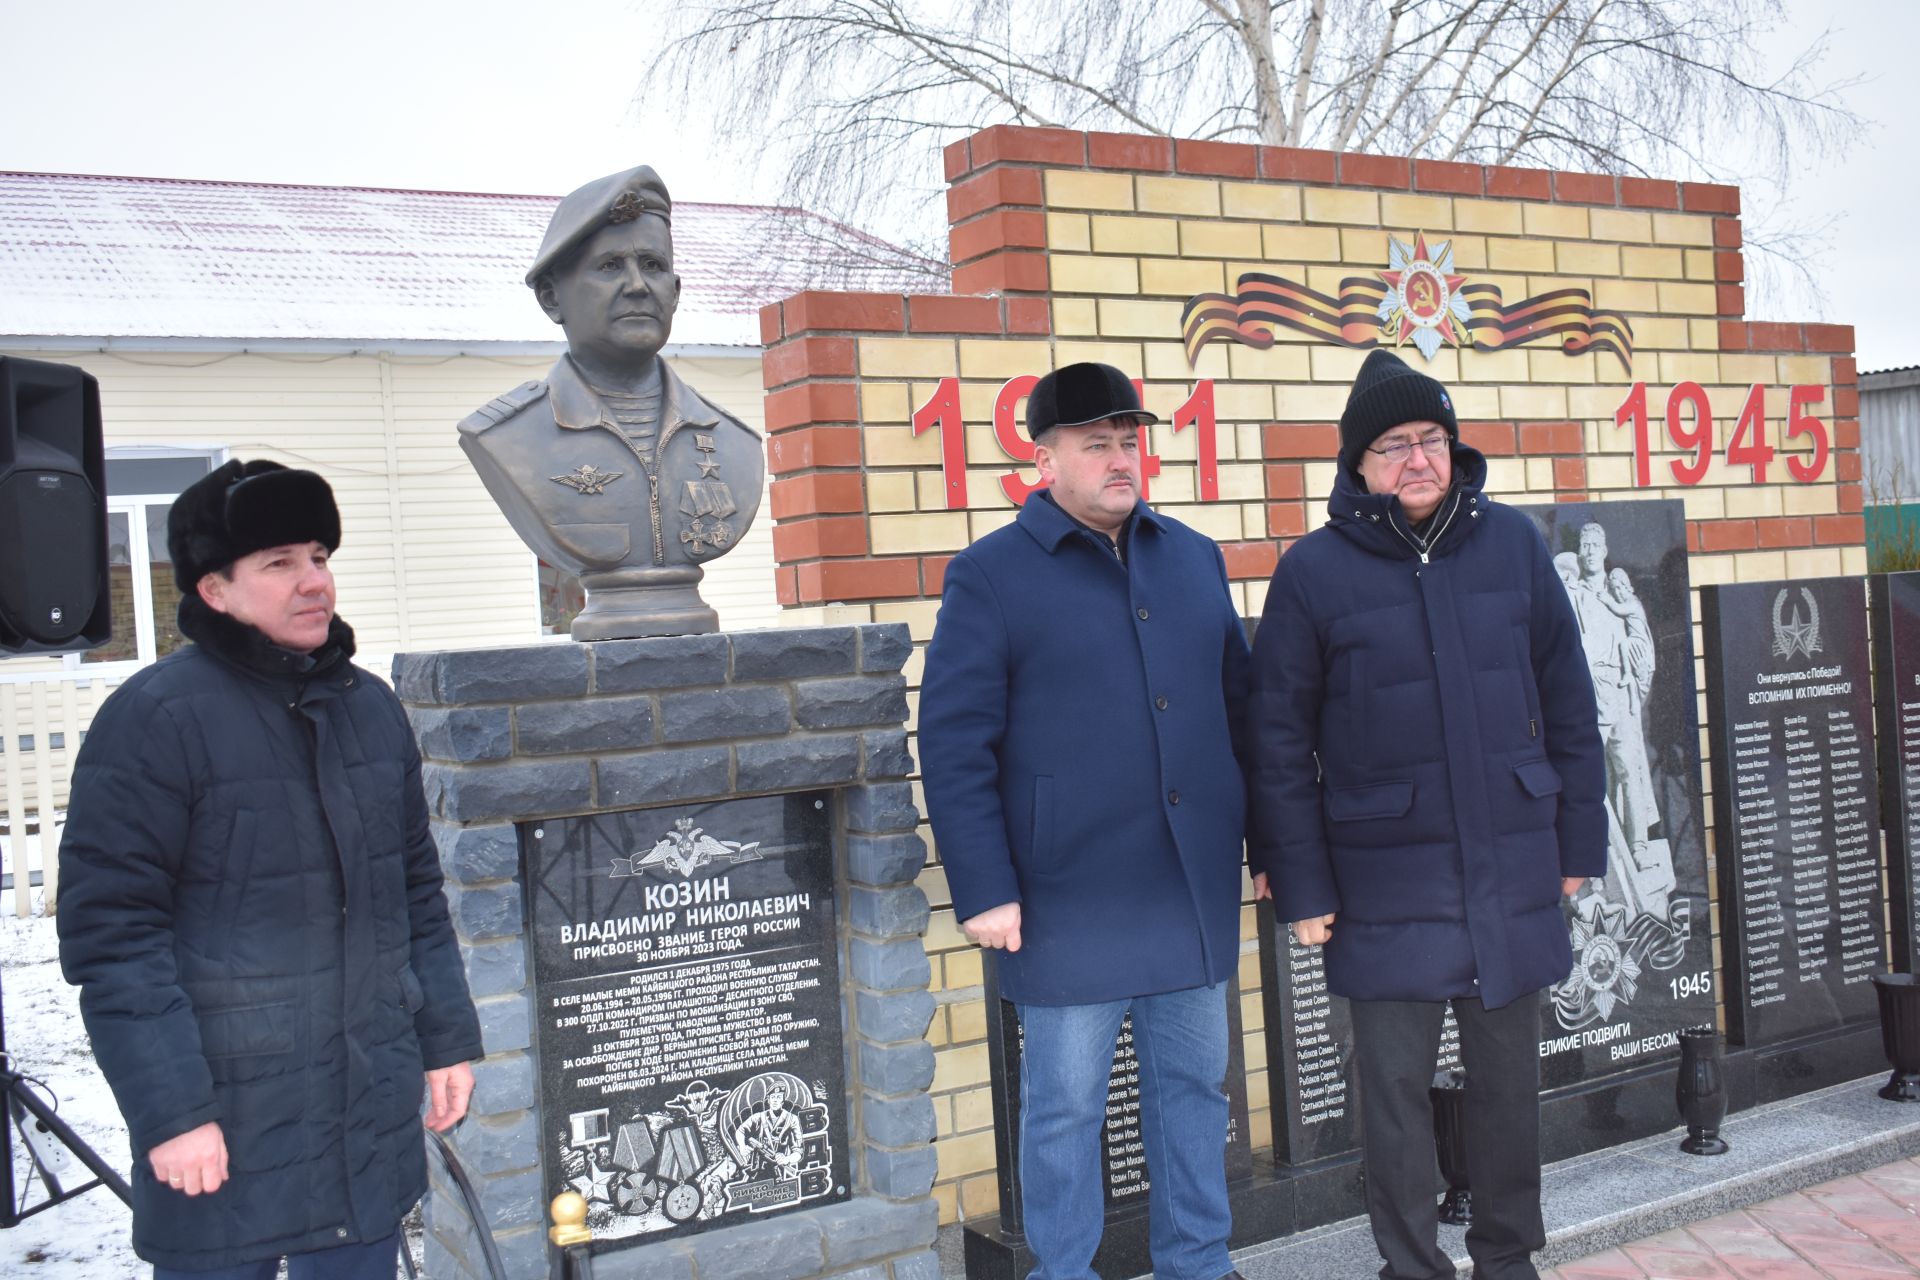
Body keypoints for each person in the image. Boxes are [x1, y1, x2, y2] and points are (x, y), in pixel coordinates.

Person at [58, 459, 483, 1280]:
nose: (313, 581)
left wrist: (444, 1042)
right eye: (280, 563)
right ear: (215, 590)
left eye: (319, 557)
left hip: (363, 1114)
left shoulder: (371, 710)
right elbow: (115, 940)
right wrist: (172, 1113)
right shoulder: (153, 719)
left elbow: (416, 895)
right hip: (225, 1129)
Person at [1247, 349, 1605, 1280]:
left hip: (1511, 870)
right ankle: (1409, 1265)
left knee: (1507, 1095)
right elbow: (1277, 742)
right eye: (1396, 443)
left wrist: (1578, 842)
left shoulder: (1514, 547)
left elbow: (1569, 702)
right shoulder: (1313, 573)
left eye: (1434, 439)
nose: (1419, 459)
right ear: (1357, 464)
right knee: (1394, 1103)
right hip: (1380, 883)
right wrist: (1304, 887)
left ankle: (1508, 1258)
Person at [919, 362, 1252, 1280]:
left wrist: (1269, 848)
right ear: (1045, 455)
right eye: (1096, 443)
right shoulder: (989, 576)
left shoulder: (1191, 556)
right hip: (1062, 895)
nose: (1119, 459)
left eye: (1128, 441)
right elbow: (953, 746)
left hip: (1185, 882)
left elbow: (1243, 711)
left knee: (1193, 1089)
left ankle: (1201, 1263)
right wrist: (985, 889)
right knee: (1065, 1109)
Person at [458, 164, 764, 637]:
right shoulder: (505, 435)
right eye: (609, 266)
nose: (638, 285)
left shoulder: (734, 442)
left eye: (654, 266)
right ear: (550, 298)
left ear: (676, 293)